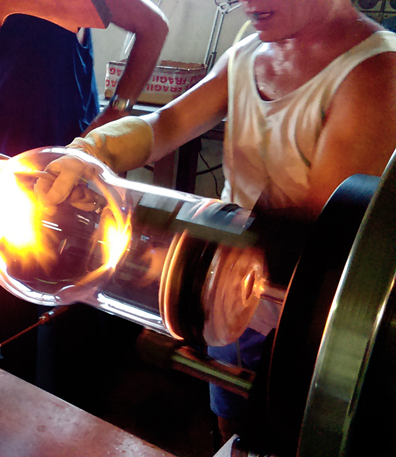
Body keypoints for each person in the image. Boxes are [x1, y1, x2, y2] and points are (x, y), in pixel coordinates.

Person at [37, 0, 396, 443]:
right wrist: (93, 150)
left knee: (280, 432)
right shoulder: (247, 54)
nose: (248, 3)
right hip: (227, 297)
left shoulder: (376, 73)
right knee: (229, 419)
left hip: (306, 322)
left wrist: (158, 260)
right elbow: (166, 125)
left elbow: (313, 236)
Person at [0, 6, 168, 388]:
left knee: (74, 341)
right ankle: (22, 395)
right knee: (8, 316)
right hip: (0, 181)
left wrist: (115, 113)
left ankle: (77, 418)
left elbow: (153, 27)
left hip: (69, 190)